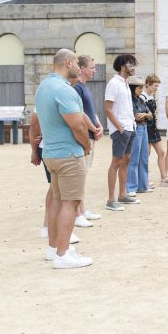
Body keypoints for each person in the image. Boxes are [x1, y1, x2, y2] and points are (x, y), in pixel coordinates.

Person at [35, 48, 92, 268]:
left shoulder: (43, 87)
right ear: (68, 63)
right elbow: (78, 126)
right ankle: (62, 254)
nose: (79, 66)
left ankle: (54, 249)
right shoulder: (64, 90)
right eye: (77, 62)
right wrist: (86, 146)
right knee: (71, 202)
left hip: (51, 153)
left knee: (57, 201)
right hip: (68, 154)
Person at [30, 112, 79, 245]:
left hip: (51, 147)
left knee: (54, 189)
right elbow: (34, 124)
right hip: (54, 149)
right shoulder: (53, 96)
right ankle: (53, 229)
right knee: (58, 192)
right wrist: (34, 150)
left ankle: (48, 227)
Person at [104, 54, 140, 210]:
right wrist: (120, 128)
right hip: (121, 130)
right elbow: (107, 109)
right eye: (130, 65)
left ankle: (123, 195)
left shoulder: (125, 83)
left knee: (126, 161)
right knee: (116, 163)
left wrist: (130, 126)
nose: (133, 68)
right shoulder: (113, 83)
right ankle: (111, 200)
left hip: (130, 128)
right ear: (122, 66)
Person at [72, 55, 103, 226]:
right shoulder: (77, 87)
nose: (94, 70)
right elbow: (79, 112)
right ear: (82, 68)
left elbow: (90, 111)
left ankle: (82, 210)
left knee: (84, 175)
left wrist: (98, 125)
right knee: (79, 176)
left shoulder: (84, 87)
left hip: (91, 134)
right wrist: (93, 128)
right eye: (92, 67)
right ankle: (77, 214)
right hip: (84, 135)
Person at [141, 75, 168, 187]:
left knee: (161, 152)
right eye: (155, 86)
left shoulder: (153, 96)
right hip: (145, 128)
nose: (156, 88)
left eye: (157, 86)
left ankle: (164, 178)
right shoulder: (142, 96)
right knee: (146, 154)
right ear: (148, 84)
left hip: (154, 128)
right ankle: (145, 179)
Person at [126, 76, 152, 194]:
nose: (141, 90)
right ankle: (131, 187)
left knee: (144, 158)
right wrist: (146, 114)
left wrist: (145, 115)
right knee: (134, 159)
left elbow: (150, 114)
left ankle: (143, 186)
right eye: (139, 87)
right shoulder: (129, 100)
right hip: (136, 129)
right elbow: (137, 116)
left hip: (144, 128)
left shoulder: (140, 100)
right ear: (133, 87)